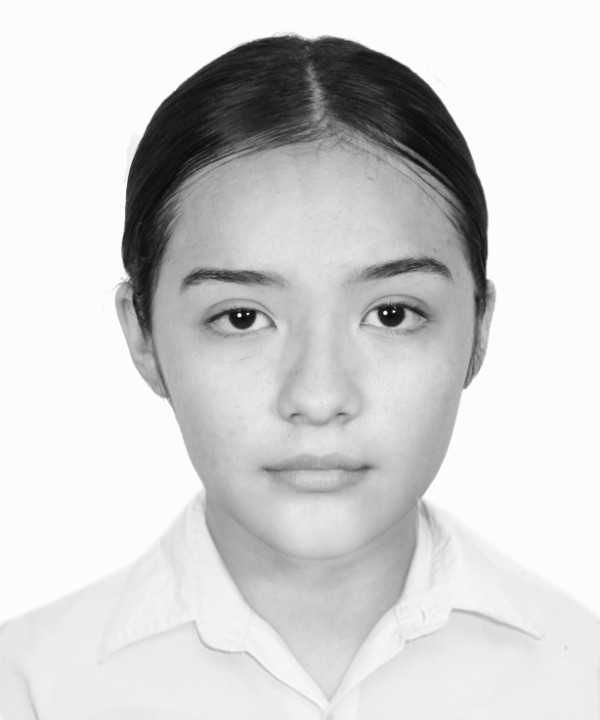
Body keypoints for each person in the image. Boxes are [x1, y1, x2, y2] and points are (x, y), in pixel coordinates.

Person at [0, 34, 598, 719]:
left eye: (392, 314)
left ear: (479, 328)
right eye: (243, 318)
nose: (317, 398)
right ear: (143, 335)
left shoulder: (584, 682)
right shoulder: (29, 689)